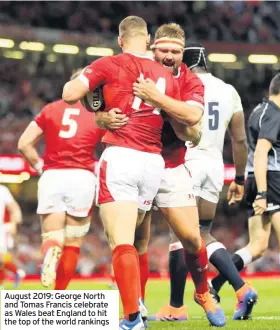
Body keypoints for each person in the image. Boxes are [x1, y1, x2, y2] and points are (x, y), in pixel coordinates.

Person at [62, 16, 203, 330]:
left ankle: (132, 318)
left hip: (122, 157)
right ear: (149, 39)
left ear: (120, 40)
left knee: (121, 241)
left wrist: (95, 101)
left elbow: (70, 94)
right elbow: (187, 123)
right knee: (138, 239)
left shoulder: (109, 64)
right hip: (154, 165)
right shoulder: (165, 74)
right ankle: (137, 304)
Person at [118, 24, 226, 327]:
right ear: (154, 49)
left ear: (182, 53)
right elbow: (100, 89)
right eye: (163, 50)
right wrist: (100, 112)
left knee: (192, 238)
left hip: (171, 165)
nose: (169, 56)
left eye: (175, 51)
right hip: (137, 161)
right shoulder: (137, 68)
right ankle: (136, 305)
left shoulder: (191, 81)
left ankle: (202, 293)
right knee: (137, 241)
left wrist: (156, 98)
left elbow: (192, 118)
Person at [148, 42, 258, 321]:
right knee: (202, 233)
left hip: (189, 161)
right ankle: (241, 287)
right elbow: (240, 139)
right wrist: (240, 178)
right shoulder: (228, 90)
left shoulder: (181, 84)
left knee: (181, 236)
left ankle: (175, 307)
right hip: (214, 167)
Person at [18, 70, 103, 290]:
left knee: (52, 237)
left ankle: (51, 251)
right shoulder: (97, 113)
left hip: (52, 176)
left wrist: (39, 167)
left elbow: (24, 143)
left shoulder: (50, 109)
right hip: (82, 177)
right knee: (73, 244)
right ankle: (59, 294)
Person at [211, 72, 280, 306]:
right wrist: (263, 192)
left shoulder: (259, 112)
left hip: (255, 177)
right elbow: (262, 151)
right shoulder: (274, 114)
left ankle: (215, 284)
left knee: (258, 246)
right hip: (271, 180)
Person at [0, 185, 23, 288]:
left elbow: (14, 208)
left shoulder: (2, 190)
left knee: (1, 257)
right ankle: (17, 272)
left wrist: (14, 223)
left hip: (1, 228)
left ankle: (2, 282)